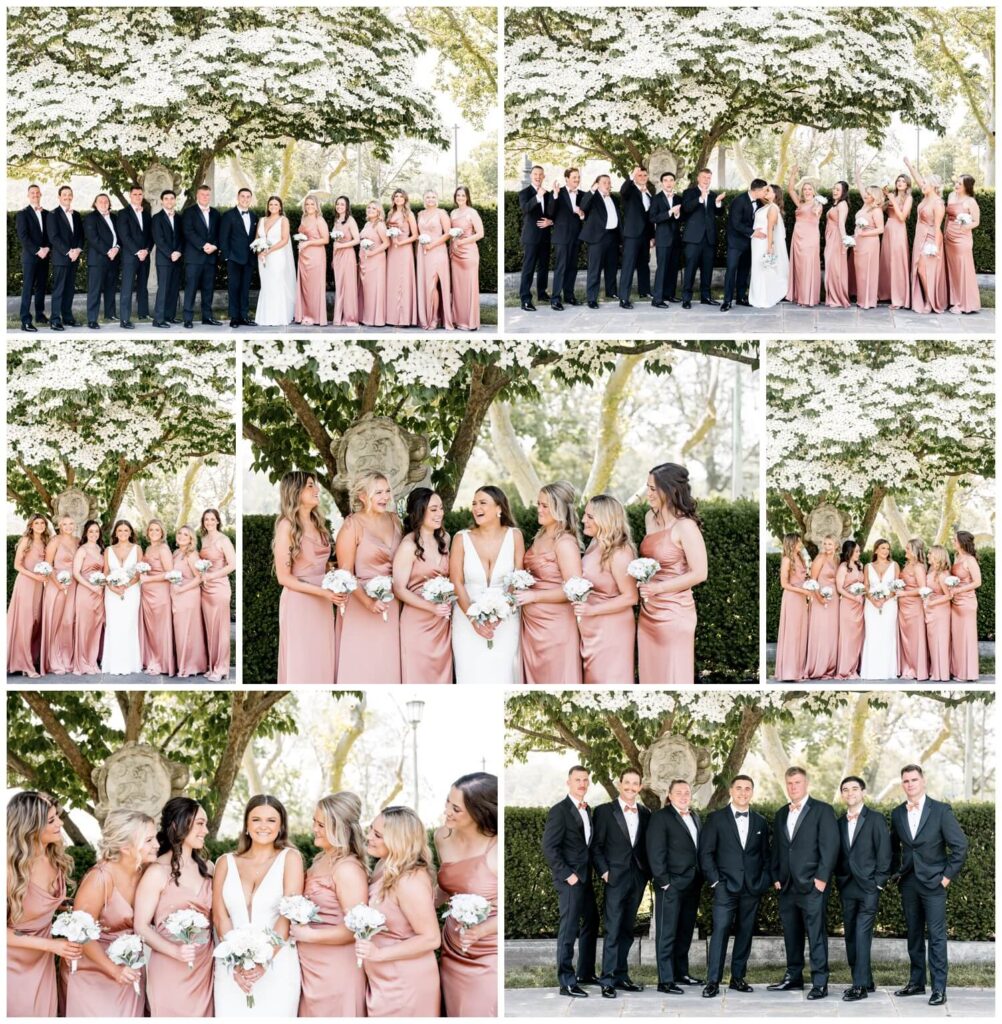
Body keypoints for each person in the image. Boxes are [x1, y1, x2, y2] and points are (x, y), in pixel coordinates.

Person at [212, 795, 303, 1016]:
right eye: (256, 819)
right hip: (232, 968)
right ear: (246, 825)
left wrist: (262, 962)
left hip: (278, 963)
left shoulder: (290, 858)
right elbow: (220, 917)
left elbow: (287, 915)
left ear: (281, 826)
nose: (263, 826)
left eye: (271, 820)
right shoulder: (225, 862)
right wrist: (237, 963)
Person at [63, 809, 158, 1016]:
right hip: (95, 974)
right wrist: (114, 969)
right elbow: (80, 934)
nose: (157, 845)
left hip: (130, 969)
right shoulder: (99, 879)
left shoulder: (146, 873)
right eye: (149, 840)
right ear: (125, 847)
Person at [889, 764, 968, 1006]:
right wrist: (896, 873)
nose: (910, 784)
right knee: (913, 935)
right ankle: (916, 983)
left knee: (936, 937)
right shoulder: (897, 813)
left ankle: (939, 988)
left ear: (923, 781)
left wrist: (945, 878)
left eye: (914, 780)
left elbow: (960, 846)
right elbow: (893, 849)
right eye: (905, 781)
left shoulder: (940, 810)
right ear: (902, 784)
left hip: (934, 883)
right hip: (909, 883)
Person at [133, 797, 214, 1017]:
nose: (205, 830)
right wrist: (175, 951)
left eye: (205, 824)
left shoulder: (209, 868)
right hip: (169, 966)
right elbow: (140, 926)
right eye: (199, 823)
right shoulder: (157, 872)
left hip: (204, 967)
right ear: (178, 824)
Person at [359, 806, 441, 1017]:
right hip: (382, 979)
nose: (369, 837)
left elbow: (431, 938)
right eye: (370, 830)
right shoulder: (383, 866)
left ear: (399, 840)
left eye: (378, 835)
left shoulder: (408, 880)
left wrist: (378, 954)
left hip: (405, 983)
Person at [292, 793, 369, 1017]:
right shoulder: (319, 860)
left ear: (339, 828)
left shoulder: (347, 869)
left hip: (336, 969)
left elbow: (356, 929)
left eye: (321, 824)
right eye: (314, 822)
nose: (314, 828)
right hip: (311, 967)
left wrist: (309, 936)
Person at [768, 766, 839, 1000]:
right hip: (787, 886)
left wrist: (821, 879)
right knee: (791, 933)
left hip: (812, 885)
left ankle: (820, 982)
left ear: (806, 784)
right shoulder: (781, 814)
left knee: (816, 934)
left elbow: (829, 848)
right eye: (789, 783)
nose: (793, 787)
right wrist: (776, 876)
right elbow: (778, 848)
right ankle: (793, 977)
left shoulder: (823, 810)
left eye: (797, 783)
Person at [6, 791, 79, 1016]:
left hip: (43, 961)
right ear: (30, 827)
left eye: (57, 816)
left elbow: (38, 905)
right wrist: (52, 946)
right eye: (51, 820)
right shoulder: (9, 870)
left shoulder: (54, 858)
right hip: (12, 965)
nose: (59, 823)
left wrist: (70, 909)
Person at [699, 774, 771, 998]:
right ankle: (712, 981)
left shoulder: (760, 821)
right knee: (720, 932)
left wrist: (762, 881)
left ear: (752, 792)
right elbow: (706, 853)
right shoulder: (716, 819)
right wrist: (716, 882)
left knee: (745, 933)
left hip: (751, 888)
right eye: (738, 788)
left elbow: (766, 856)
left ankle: (738, 978)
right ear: (731, 791)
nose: (743, 792)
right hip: (725, 888)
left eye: (747, 788)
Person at [637, 463, 707, 684]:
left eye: (653, 489)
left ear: (671, 490)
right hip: (649, 611)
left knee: (673, 674)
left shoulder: (685, 527)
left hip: (675, 612)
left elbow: (700, 573)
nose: (648, 493)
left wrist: (659, 588)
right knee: (651, 674)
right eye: (647, 487)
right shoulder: (650, 517)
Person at [435, 773, 499, 1017]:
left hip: (487, 951)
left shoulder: (495, 847)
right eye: (447, 803)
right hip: (451, 947)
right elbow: (448, 886)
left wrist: (480, 931)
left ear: (478, 812)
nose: (447, 812)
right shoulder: (442, 837)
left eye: (456, 809)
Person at [451, 485, 525, 685]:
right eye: (474, 503)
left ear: (499, 508)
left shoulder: (515, 536)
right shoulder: (461, 538)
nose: (476, 508)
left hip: (506, 621)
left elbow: (517, 579)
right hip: (466, 620)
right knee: (470, 675)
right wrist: (473, 619)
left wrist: (502, 613)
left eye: (483, 503)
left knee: (504, 674)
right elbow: (456, 582)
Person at [274, 471, 341, 685]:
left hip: (323, 602)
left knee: (322, 660)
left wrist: (336, 575)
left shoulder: (319, 523)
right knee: (302, 663)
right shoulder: (286, 526)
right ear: (296, 491)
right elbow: (284, 577)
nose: (317, 490)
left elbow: (320, 564)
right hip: (300, 603)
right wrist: (323, 591)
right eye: (310, 486)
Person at [335, 472, 402, 684]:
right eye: (378, 492)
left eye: (387, 491)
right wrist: (368, 602)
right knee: (362, 665)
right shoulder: (352, 525)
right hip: (361, 604)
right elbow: (345, 573)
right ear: (363, 496)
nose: (385, 497)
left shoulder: (395, 520)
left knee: (388, 664)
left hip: (393, 603)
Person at [515, 482, 583, 685]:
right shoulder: (541, 535)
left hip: (555, 626)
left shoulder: (565, 543)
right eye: (538, 504)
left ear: (559, 509)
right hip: (532, 625)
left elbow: (574, 591)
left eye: (545, 505)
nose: (539, 509)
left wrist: (535, 596)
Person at [542, 765, 598, 998]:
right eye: (578, 780)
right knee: (569, 928)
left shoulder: (588, 809)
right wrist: (568, 874)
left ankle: (585, 972)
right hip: (570, 880)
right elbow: (549, 848)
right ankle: (566, 981)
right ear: (569, 782)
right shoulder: (560, 811)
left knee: (592, 921)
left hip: (585, 878)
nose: (582, 784)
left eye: (585, 780)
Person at [593, 769, 650, 998]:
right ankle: (607, 979)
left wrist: (647, 873)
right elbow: (596, 846)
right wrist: (604, 872)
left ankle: (621, 975)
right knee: (613, 928)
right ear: (620, 784)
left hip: (637, 877)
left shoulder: (646, 814)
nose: (630, 787)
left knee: (627, 928)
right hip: (614, 877)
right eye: (627, 782)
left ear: (640, 787)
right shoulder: (604, 812)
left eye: (635, 783)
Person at [836, 776, 891, 1002]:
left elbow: (885, 854)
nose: (850, 793)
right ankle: (865, 979)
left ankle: (859, 987)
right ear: (842, 795)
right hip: (847, 885)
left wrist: (878, 882)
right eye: (846, 790)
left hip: (869, 886)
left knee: (862, 934)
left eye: (855, 789)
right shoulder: (838, 822)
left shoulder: (876, 819)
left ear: (863, 792)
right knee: (850, 935)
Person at [646, 779, 703, 994]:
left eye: (686, 792)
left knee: (685, 931)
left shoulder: (695, 816)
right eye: (678, 792)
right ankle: (666, 980)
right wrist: (664, 882)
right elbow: (655, 852)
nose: (683, 795)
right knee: (667, 933)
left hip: (692, 884)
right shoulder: (661, 818)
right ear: (669, 796)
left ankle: (681, 973)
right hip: (670, 885)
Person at [393, 487, 453, 684]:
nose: (440, 514)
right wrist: (431, 607)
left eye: (441, 508)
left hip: (442, 623)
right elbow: (399, 589)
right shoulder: (408, 546)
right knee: (418, 676)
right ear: (420, 511)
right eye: (433, 509)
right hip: (417, 622)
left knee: (442, 676)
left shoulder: (445, 539)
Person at [578, 494, 638, 684]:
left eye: (589, 516)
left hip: (612, 629)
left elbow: (631, 597)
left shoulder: (619, 551)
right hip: (591, 628)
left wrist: (592, 610)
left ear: (605, 519)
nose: (583, 520)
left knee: (609, 681)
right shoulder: (595, 542)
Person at [7, 514, 51, 678]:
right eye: (36, 523)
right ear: (31, 525)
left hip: (39, 585)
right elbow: (17, 565)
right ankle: (25, 666)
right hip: (26, 584)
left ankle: (29, 659)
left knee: (35, 622)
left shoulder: (46, 542)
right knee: (25, 623)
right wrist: (35, 577)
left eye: (42, 523)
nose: (40, 525)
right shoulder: (26, 540)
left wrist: (45, 577)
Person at [199, 508, 236, 682]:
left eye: (212, 519)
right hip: (205, 588)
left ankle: (221, 668)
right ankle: (212, 665)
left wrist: (212, 575)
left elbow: (232, 565)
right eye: (206, 519)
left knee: (221, 628)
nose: (209, 522)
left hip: (219, 587)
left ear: (218, 521)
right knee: (210, 629)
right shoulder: (204, 539)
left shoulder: (224, 540)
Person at [101, 519, 142, 675]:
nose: (123, 533)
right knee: (114, 625)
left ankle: (130, 665)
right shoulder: (108, 550)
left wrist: (127, 585)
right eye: (120, 530)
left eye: (126, 530)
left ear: (130, 532)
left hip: (131, 591)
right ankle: (113, 665)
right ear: (115, 533)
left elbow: (139, 572)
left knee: (129, 625)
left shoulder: (137, 549)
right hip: (111, 592)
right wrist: (112, 587)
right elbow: (106, 572)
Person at [680, 168, 724, 308]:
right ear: (698, 178)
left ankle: (706, 296)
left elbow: (719, 213)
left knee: (707, 269)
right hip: (693, 238)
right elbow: (686, 209)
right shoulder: (689, 193)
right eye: (704, 177)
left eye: (709, 178)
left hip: (709, 239)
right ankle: (686, 298)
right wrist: (701, 198)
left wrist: (717, 203)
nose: (707, 180)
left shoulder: (713, 195)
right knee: (690, 269)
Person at [720, 178, 767, 311]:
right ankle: (727, 301)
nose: (765, 193)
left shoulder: (759, 202)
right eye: (764, 190)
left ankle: (741, 297)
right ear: (757, 190)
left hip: (750, 242)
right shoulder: (738, 201)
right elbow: (736, 224)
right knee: (731, 270)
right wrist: (753, 232)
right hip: (735, 242)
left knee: (744, 270)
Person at [181, 184, 222, 327]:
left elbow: (219, 233)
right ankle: (187, 319)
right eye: (203, 195)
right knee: (191, 288)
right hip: (194, 258)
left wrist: (215, 246)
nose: (205, 197)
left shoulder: (216, 213)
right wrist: (204, 245)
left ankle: (207, 317)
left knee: (208, 289)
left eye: (207, 195)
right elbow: (188, 232)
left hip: (210, 258)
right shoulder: (188, 212)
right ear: (197, 196)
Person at [860, 538, 900, 679]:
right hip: (871, 605)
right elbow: (866, 587)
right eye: (883, 548)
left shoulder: (894, 565)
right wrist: (873, 600)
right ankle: (871, 671)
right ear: (876, 550)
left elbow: (897, 586)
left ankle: (887, 671)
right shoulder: (868, 566)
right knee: (873, 634)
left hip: (889, 604)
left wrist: (885, 599)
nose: (886, 551)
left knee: (887, 634)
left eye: (888, 548)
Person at [219, 187, 259, 328]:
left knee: (245, 289)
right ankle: (234, 318)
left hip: (248, 260)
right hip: (234, 259)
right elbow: (223, 238)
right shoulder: (229, 215)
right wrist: (227, 257)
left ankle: (244, 316)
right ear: (238, 197)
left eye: (248, 196)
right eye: (243, 196)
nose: (245, 199)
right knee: (234, 288)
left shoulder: (254, 216)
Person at [577, 175, 619, 307]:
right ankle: (592, 298)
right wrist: (592, 190)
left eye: (609, 182)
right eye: (604, 182)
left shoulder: (613, 198)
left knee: (611, 266)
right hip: (597, 238)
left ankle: (611, 292)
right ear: (597, 184)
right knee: (595, 268)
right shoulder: (593, 197)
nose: (607, 184)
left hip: (612, 236)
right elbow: (583, 206)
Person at [254, 195, 295, 326]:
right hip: (262, 258)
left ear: (280, 207)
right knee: (266, 285)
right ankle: (265, 317)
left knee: (276, 283)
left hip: (277, 256)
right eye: (271, 204)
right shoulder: (262, 220)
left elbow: (284, 240)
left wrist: (269, 250)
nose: (273, 207)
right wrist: (259, 251)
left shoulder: (283, 220)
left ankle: (278, 317)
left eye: (276, 204)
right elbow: (257, 238)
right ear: (268, 206)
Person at [48, 185, 84, 330]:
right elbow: (53, 237)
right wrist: (69, 251)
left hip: (74, 258)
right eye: (64, 194)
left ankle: (68, 317)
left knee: (69, 289)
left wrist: (78, 250)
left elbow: (81, 235)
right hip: (61, 257)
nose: (67, 197)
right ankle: (55, 319)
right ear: (59, 197)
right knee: (59, 289)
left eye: (69, 194)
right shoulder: (52, 214)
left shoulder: (76, 215)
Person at [785, 167, 823, 306]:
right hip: (798, 238)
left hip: (810, 238)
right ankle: (800, 295)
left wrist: (817, 210)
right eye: (805, 189)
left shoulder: (817, 203)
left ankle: (808, 298)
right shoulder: (800, 203)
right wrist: (793, 174)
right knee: (799, 267)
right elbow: (790, 190)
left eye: (809, 189)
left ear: (813, 191)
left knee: (808, 265)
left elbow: (817, 212)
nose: (807, 191)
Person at [117, 184, 153, 328]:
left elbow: (151, 235)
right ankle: (124, 319)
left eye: (140, 194)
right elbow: (124, 236)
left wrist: (147, 250)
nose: (138, 197)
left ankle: (143, 313)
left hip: (145, 255)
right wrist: (138, 251)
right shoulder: (123, 213)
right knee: (127, 287)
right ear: (130, 196)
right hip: (131, 256)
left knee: (143, 286)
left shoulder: (146, 213)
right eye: (135, 194)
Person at [617, 167, 654, 308]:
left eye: (645, 175)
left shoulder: (649, 194)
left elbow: (650, 217)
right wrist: (631, 176)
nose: (643, 177)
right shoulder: (630, 191)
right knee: (628, 266)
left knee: (644, 264)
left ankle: (644, 291)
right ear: (635, 176)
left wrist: (652, 236)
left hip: (645, 236)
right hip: (632, 235)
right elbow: (623, 190)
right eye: (640, 175)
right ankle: (624, 298)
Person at [517, 164, 553, 310]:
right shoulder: (524, 193)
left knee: (544, 267)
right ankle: (525, 299)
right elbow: (525, 209)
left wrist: (551, 221)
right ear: (531, 176)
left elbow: (553, 213)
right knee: (528, 268)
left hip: (545, 236)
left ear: (544, 177)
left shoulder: (548, 193)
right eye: (535, 174)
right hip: (531, 237)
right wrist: (538, 196)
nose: (538, 177)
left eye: (540, 174)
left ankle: (542, 293)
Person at [549, 168, 586, 309]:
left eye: (578, 177)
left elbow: (586, 216)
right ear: (566, 178)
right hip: (562, 237)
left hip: (576, 237)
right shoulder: (558, 193)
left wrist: (582, 214)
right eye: (574, 177)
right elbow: (550, 212)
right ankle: (555, 299)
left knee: (573, 268)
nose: (577, 179)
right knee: (561, 268)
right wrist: (556, 195)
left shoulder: (582, 194)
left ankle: (569, 296)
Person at [944, 174, 980, 314]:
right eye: (956, 182)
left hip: (962, 239)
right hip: (949, 236)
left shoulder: (971, 201)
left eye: (960, 183)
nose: (956, 185)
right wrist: (944, 232)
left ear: (967, 186)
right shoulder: (951, 196)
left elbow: (976, 222)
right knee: (952, 269)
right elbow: (948, 216)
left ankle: (964, 303)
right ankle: (952, 299)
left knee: (962, 270)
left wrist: (966, 226)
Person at [748, 183, 789, 308]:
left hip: (763, 242)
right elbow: (756, 194)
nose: (765, 192)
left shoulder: (773, 208)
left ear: (775, 194)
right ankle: (758, 295)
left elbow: (770, 228)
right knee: (757, 268)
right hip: (756, 242)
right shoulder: (766, 206)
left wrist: (769, 247)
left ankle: (764, 297)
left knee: (763, 269)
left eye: (768, 190)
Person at [16, 183, 50, 331]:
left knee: (41, 287)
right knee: (28, 288)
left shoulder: (47, 214)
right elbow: (23, 237)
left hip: (45, 256)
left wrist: (47, 248)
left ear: (41, 194)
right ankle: (25, 320)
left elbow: (50, 235)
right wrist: (38, 250)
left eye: (37, 192)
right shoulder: (22, 214)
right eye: (32, 193)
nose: (35, 195)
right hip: (31, 257)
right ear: (28, 195)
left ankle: (40, 315)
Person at [83, 193, 120, 328]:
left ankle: (110, 314)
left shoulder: (115, 218)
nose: (104, 203)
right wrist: (107, 251)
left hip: (114, 258)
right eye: (101, 201)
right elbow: (93, 238)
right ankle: (92, 319)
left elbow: (120, 235)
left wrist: (116, 248)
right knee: (95, 290)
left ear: (109, 203)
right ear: (95, 203)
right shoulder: (90, 218)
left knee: (111, 288)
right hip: (98, 260)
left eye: (106, 201)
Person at [450, 185, 484, 330]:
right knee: (457, 288)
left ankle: (470, 322)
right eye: (458, 195)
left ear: (467, 197)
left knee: (469, 286)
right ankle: (458, 320)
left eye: (463, 195)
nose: (460, 198)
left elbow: (480, 233)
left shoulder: (472, 212)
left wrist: (462, 241)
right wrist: (453, 243)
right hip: (455, 253)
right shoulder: (452, 213)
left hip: (468, 253)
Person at [294, 194, 331, 326]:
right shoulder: (303, 218)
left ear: (316, 206)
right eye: (307, 204)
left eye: (312, 204)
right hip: (303, 256)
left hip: (316, 256)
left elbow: (325, 240)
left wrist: (308, 243)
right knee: (305, 287)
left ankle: (316, 317)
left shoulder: (319, 220)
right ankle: (305, 314)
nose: (309, 206)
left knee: (315, 287)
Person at [949, 530, 981, 681]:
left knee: (967, 636)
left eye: (954, 540)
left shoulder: (970, 560)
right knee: (957, 637)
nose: (952, 542)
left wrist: (959, 590)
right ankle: (958, 670)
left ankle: (968, 673)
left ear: (961, 542)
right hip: (955, 602)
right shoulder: (956, 557)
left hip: (967, 602)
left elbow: (977, 582)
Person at [649, 171, 683, 306]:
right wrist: (669, 213)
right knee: (662, 269)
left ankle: (669, 294)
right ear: (662, 183)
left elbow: (682, 217)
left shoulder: (679, 199)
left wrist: (677, 215)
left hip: (676, 239)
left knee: (673, 268)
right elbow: (653, 218)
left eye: (671, 180)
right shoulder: (656, 199)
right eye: (666, 180)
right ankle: (657, 299)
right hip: (663, 239)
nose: (669, 183)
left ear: (674, 182)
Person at [151, 189, 184, 327]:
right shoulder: (157, 218)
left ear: (175, 200)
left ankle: (170, 316)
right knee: (163, 289)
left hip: (178, 258)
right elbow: (159, 240)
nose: (169, 201)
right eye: (167, 199)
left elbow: (183, 237)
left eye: (172, 198)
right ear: (162, 201)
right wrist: (171, 253)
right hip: (164, 259)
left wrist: (179, 252)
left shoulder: (179, 218)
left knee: (174, 289)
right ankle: (158, 320)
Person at [331, 194, 361, 326]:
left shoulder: (351, 220)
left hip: (348, 255)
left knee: (348, 285)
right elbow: (335, 242)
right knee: (339, 285)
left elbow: (357, 240)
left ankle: (349, 317)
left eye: (342, 204)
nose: (339, 206)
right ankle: (338, 316)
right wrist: (333, 257)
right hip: (337, 256)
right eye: (338, 204)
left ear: (347, 206)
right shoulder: (336, 221)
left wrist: (342, 246)